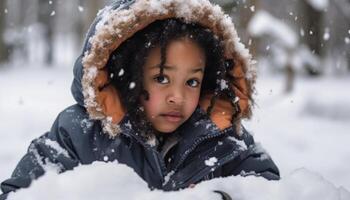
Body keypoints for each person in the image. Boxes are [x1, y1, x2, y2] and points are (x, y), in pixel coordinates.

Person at [0, 0, 280, 199]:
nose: (178, 97)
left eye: (192, 81)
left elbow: (269, 189)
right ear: (126, 76)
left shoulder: (222, 140)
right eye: (161, 78)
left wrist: (222, 196)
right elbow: (19, 194)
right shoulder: (79, 134)